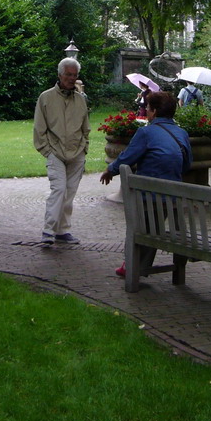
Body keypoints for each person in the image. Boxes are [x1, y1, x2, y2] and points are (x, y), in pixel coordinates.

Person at [100, 91, 192, 277]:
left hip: (149, 196)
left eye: (148, 109)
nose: (146, 112)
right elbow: (187, 164)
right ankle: (138, 265)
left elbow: (127, 157)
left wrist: (110, 170)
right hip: (173, 196)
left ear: (155, 111)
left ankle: (133, 265)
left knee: (141, 225)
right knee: (153, 226)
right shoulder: (181, 133)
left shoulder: (146, 132)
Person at [33, 57, 90, 245]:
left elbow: (85, 128)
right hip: (55, 152)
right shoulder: (46, 98)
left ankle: (63, 231)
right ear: (60, 75)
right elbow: (39, 129)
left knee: (70, 192)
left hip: (77, 152)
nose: (71, 78)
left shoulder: (81, 100)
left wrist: (84, 149)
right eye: (68, 74)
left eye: (75, 75)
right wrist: (47, 151)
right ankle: (48, 231)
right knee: (58, 189)